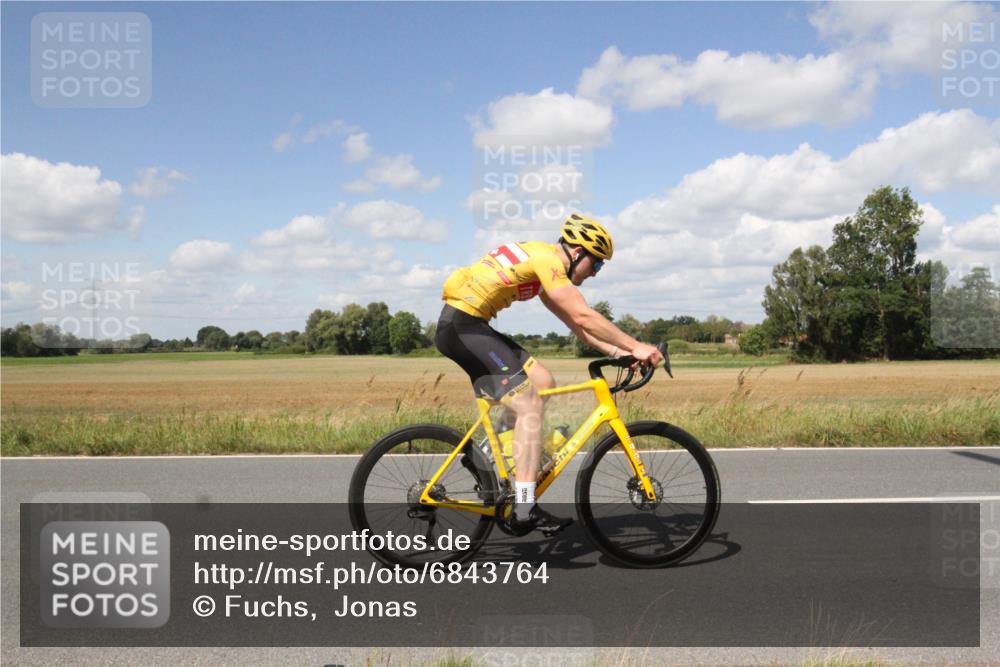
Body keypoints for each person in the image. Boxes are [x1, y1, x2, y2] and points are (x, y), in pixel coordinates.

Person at [434, 213, 664, 534]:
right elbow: (584, 315)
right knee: (528, 406)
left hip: (467, 326)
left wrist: (620, 353)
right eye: (596, 264)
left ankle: (484, 453)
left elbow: (577, 327)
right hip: (463, 327)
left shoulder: (542, 264)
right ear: (578, 252)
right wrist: (637, 345)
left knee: (542, 381)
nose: (595, 273)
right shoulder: (547, 261)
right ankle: (525, 509)